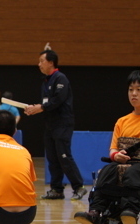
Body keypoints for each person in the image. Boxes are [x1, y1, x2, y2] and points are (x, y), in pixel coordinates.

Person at [74, 70, 140, 224]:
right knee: (106, 172)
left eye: (139, 89)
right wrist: (115, 155)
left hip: (138, 166)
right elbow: (113, 148)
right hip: (122, 163)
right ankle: (95, 212)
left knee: (133, 173)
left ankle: (130, 211)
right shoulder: (122, 122)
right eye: (131, 89)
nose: (134, 94)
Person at [25, 50, 87, 200]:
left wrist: (41, 107)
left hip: (63, 124)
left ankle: (79, 187)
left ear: (51, 62)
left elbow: (58, 100)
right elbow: (46, 103)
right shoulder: (46, 81)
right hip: (50, 125)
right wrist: (35, 109)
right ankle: (57, 189)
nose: (39, 64)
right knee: (52, 157)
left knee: (64, 156)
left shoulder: (60, 78)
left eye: (41, 61)